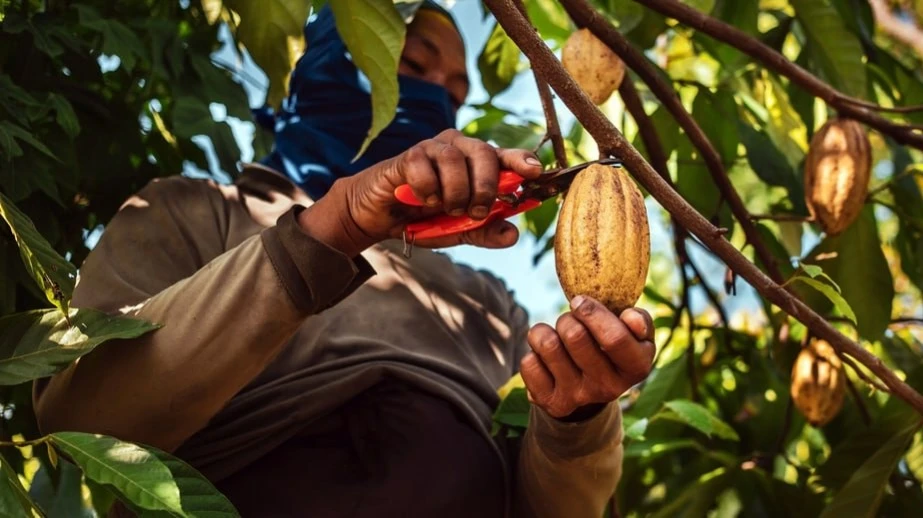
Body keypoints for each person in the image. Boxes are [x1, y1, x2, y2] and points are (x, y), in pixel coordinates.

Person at [32, 3, 655, 517]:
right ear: (329, 63)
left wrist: (578, 420)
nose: (437, 100)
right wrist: (337, 225)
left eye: (455, 93)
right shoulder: (192, 212)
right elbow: (82, 421)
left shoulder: (488, 300)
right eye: (411, 66)